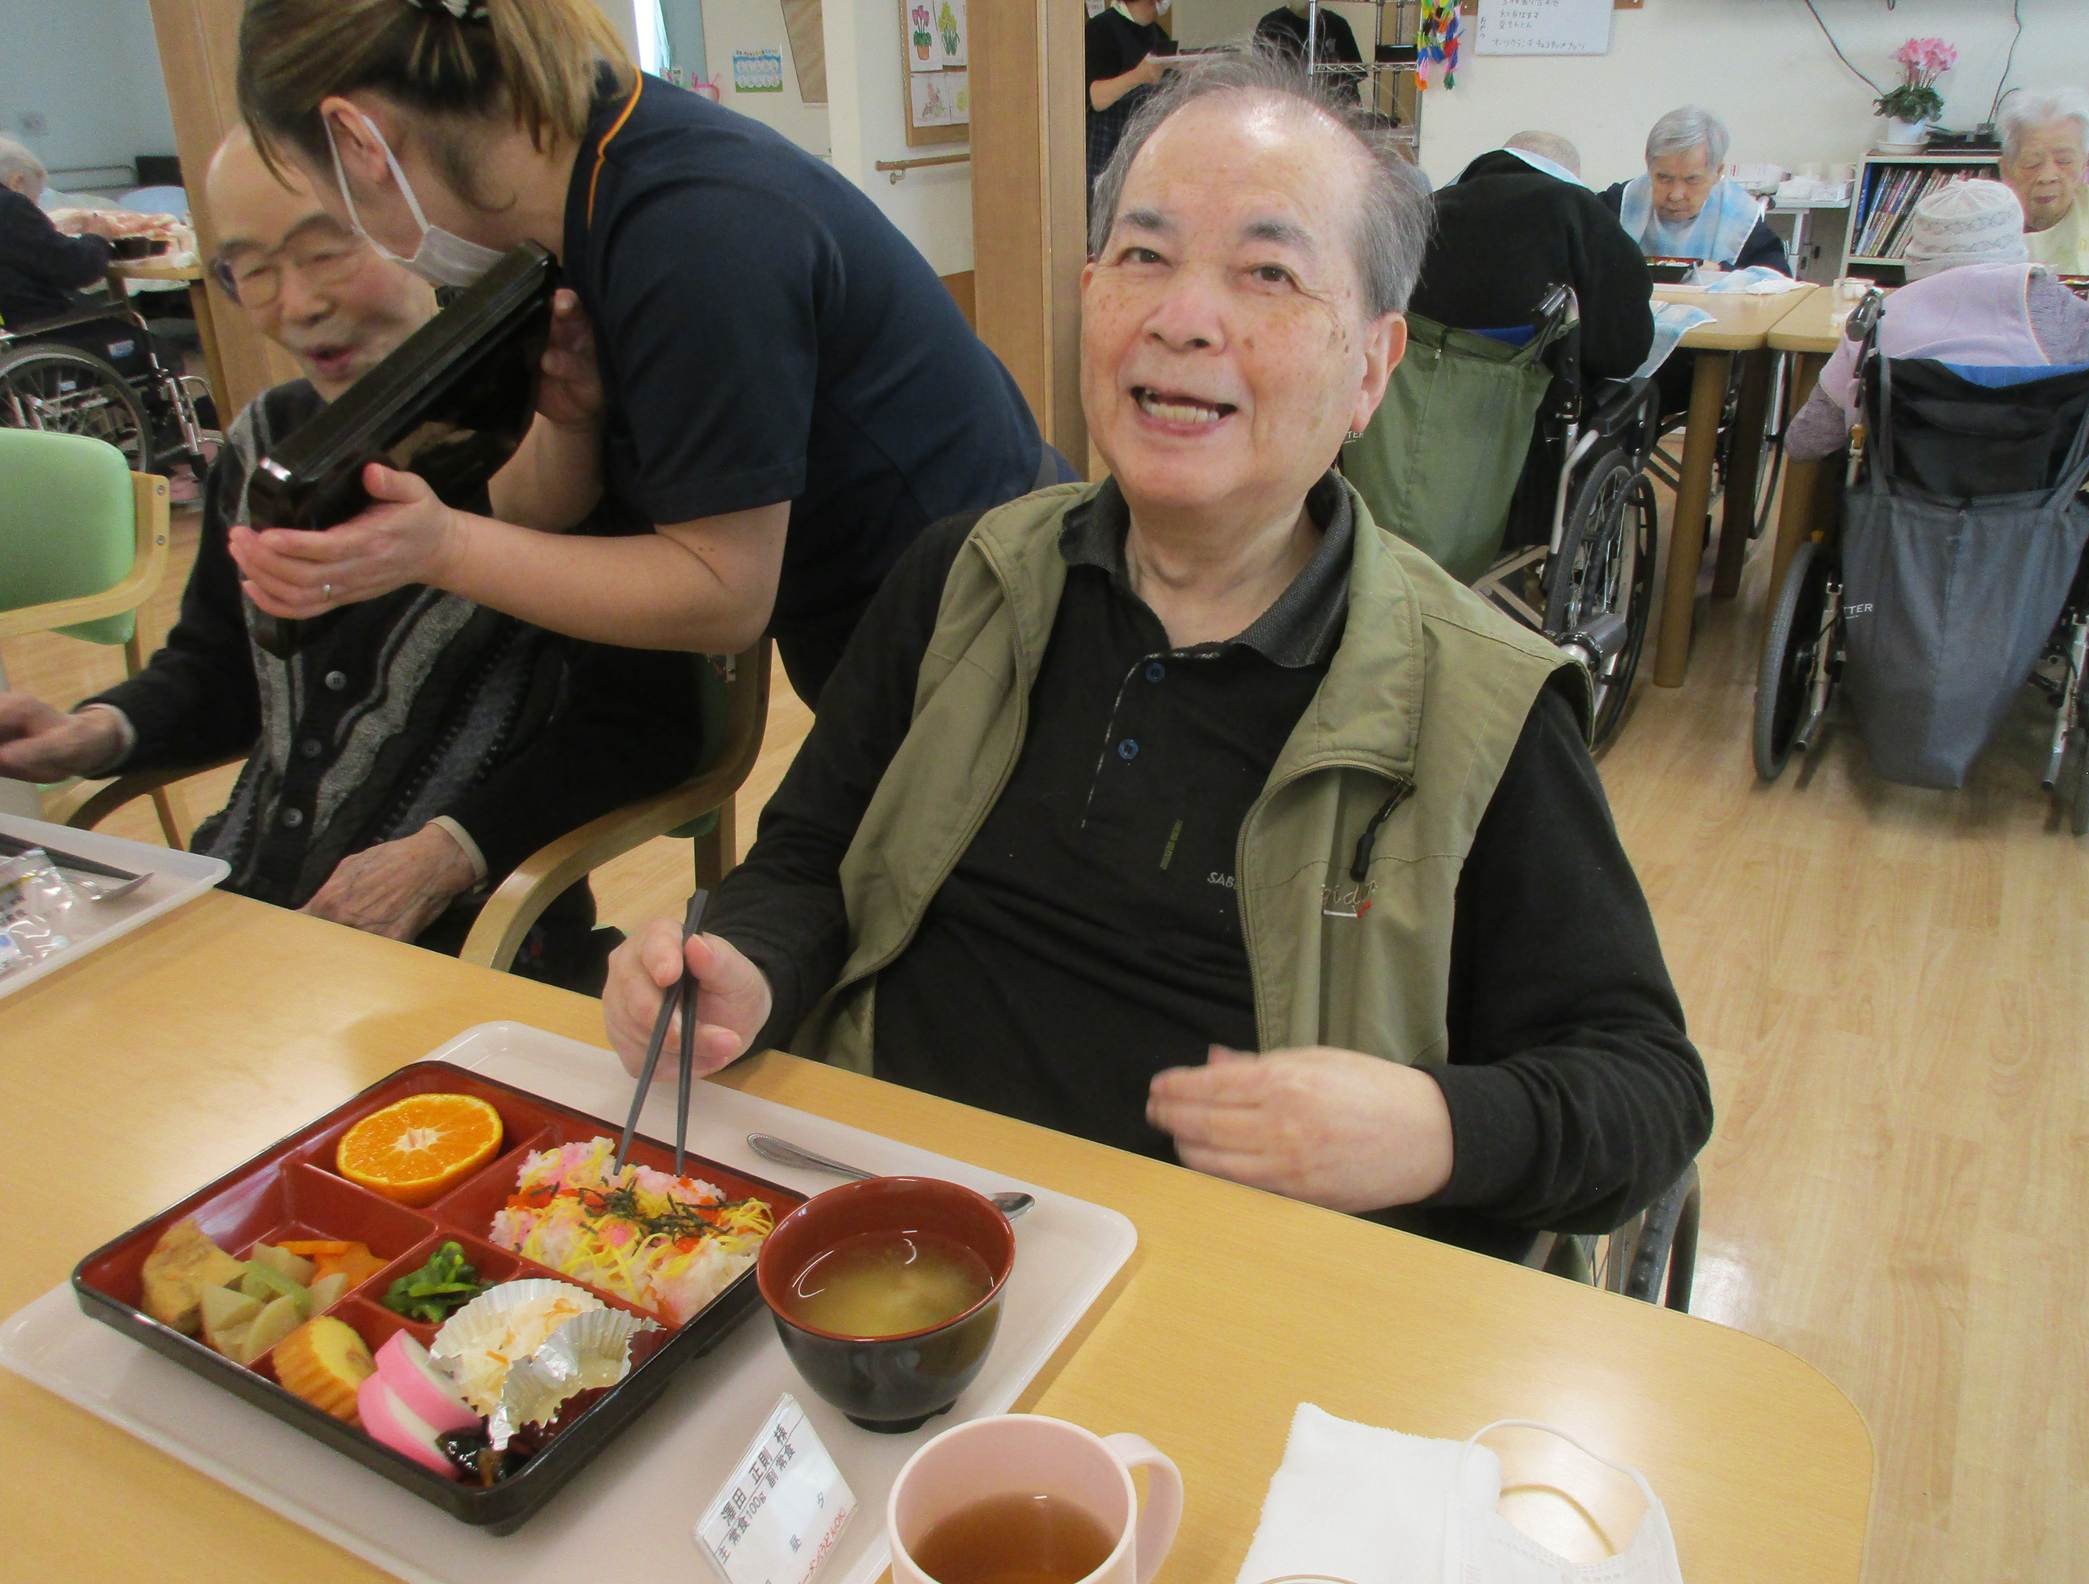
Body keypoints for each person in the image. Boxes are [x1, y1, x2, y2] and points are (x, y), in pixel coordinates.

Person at [601, 51, 1710, 1258]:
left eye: (1268, 273)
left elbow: (1646, 1089)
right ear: (1091, 296)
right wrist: (748, 967)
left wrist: (1436, 1125)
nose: (1182, 318)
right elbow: (809, 861)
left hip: (1236, 1287)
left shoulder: (1479, 701)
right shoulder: (965, 577)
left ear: (1371, 368)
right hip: (898, 1225)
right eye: (1143, 255)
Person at [0, 131, 703, 987]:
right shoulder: (266, 438)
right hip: (244, 900)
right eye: (251, 270)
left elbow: (646, 727)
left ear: (427, 233)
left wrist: (447, 853)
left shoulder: (563, 442)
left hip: (472, 945)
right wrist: (94, 732)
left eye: (326, 251)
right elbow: (219, 672)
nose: (297, 304)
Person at [229, 0, 1050, 707]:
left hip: (998, 637)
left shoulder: (687, 230)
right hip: (888, 641)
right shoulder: (551, 203)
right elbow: (527, 508)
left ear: (358, 139)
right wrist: (572, 424)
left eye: (328, 213)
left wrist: (440, 549)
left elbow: (723, 596)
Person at [1787, 180, 2089, 461]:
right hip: (2038, 502)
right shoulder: (2058, 313)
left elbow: (1805, 443)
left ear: (1916, 254)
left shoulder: (1877, 320)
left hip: (1902, 505)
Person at [1416, 131, 1653, 380]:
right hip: (1537, 396)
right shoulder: (1581, 212)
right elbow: (1622, 354)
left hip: (1420, 392)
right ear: (1569, 175)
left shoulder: (1426, 210)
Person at [1600, 105, 1789, 276]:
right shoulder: (1620, 203)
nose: (1675, 195)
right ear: (1649, 167)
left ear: (1717, 173)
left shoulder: (1740, 217)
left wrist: (1723, 272)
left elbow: (1778, 281)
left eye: (1692, 180)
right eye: (1664, 178)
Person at [0, 136, 125, 330]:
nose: (36, 207)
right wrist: (97, 236)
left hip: (10, 326)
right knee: (153, 341)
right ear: (17, 182)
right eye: (36, 198)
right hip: (36, 329)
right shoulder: (9, 205)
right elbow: (78, 269)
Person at [1998, 89, 2089, 276]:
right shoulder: (1982, 225)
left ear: (2084, 164)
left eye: (2064, 161)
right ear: (2006, 169)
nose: (2047, 176)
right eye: (2032, 163)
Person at [1087, 0, 1175, 195]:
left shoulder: (1158, 34)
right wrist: (1139, 75)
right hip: (1110, 151)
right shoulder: (1101, 29)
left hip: (1144, 149)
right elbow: (1096, 97)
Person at [1253, 5, 1363, 109]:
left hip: (1332, 109)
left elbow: (1351, 81)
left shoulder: (1337, 25)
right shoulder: (1270, 25)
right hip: (1284, 109)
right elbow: (1262, 77)